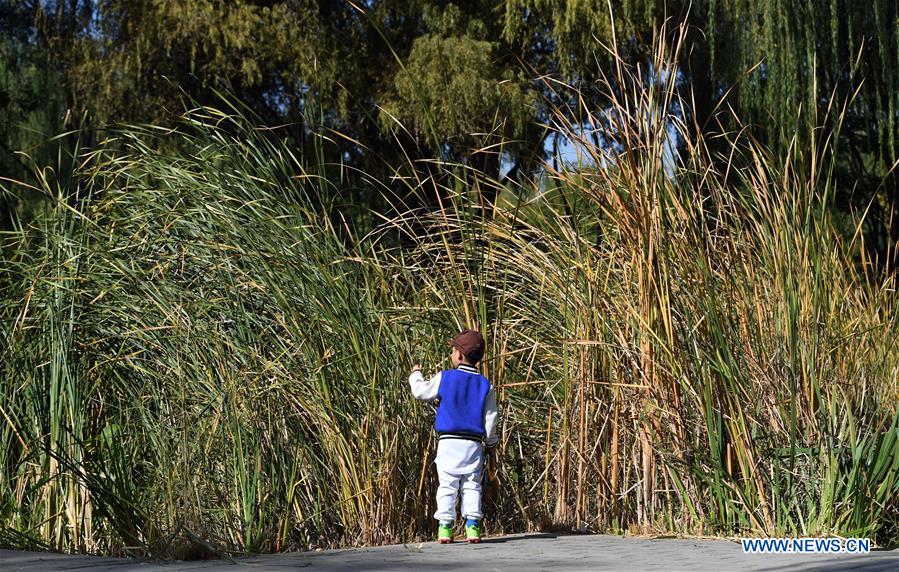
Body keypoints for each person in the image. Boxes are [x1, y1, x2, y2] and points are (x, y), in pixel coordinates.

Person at [409, 328, 499, 544]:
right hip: (473, 444)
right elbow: (491, 419)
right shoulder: (486, 385)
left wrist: (415, 375)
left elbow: (422, 392)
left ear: (459, 354)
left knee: (448, 485)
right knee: (472, 485)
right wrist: (491, 443)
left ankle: (445, 528)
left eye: (453, 350)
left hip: (449, 442)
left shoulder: (445, 378)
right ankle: (472, 528)